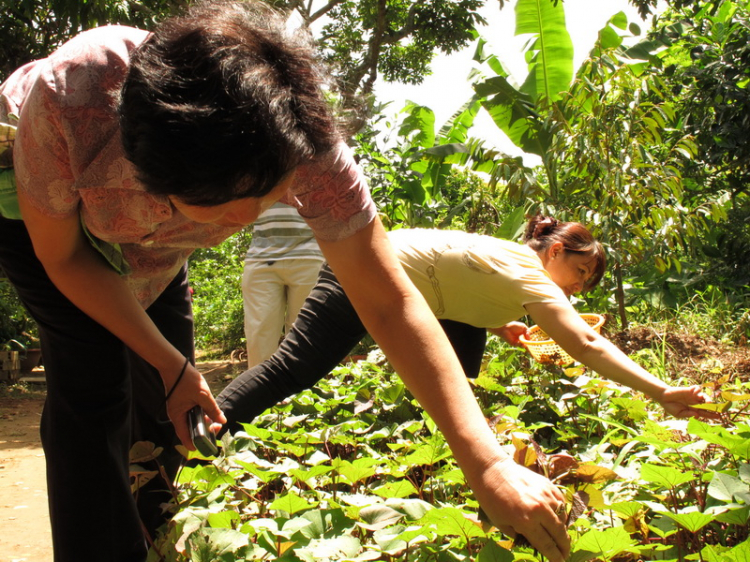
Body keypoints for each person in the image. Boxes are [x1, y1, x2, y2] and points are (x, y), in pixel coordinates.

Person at [0, 4, 628, 562]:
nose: (243, 225)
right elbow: (66, 261)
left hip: (156, 259)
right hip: (47, 229)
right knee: (95, 391)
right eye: (219, 212)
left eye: (262, 201)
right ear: (151, 174)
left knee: (168, 418)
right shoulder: (69, 102)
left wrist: (487, 461)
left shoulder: (306, 144)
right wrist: (166, 363)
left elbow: (387, 298)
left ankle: (159, 538)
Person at [217, 217, 714, 434]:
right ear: (556, 251)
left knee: (466, 343)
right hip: (363, 272)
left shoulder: (512, 261)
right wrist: (660, 391)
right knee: (291, 369)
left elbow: (459, 280)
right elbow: (584, 342)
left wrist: (502, 326)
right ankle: (204, 431)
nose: (581, 288)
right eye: (581, 273)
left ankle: (434, 437)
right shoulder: (530, 273)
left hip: (393, 278)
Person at [242, 202, 324, 366]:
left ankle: (305, 391)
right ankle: (261, 391)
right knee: (259, 337)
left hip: (310, 254)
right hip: (262, 256)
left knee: (304, 335)